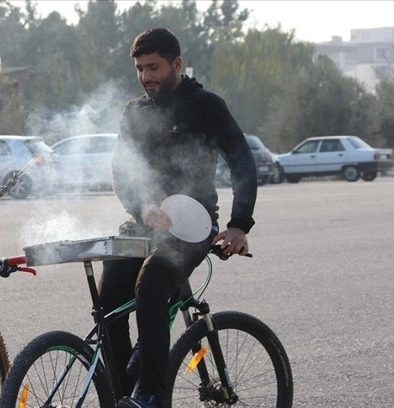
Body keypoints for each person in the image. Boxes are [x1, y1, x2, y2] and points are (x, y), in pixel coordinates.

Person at [101, 28, 258, 408]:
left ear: (176, 64)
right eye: (139, 69)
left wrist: (239, 224)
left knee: (152, 284)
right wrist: (142, 208)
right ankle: (123, 394)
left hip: (193, 225)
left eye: (153, 67)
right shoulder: (134, 111)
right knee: (108, 297)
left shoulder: (205, 105)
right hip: (145, 223)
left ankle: (152, 394)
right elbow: (122, 173)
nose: (146, 77)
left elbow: (242, 162)